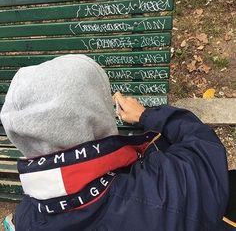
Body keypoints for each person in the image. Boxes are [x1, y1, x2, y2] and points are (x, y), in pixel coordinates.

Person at [0, 55, 231, 231]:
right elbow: (203, 147)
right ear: (96, 115)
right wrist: (146, 115)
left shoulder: (26, 217)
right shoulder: (163, 191)